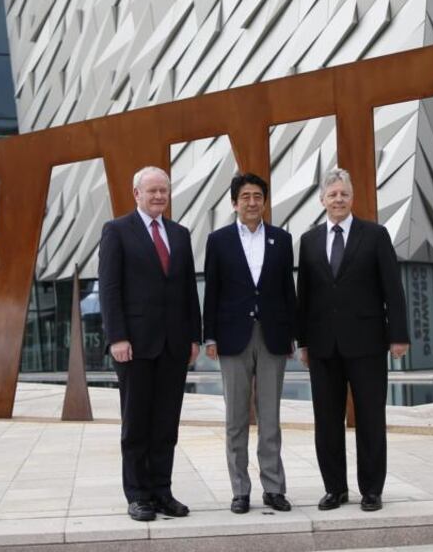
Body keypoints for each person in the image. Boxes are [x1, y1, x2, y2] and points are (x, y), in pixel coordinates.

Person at [296, 167, 409, 512]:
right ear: (322, 200)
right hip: (323, 345)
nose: (338, 199)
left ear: (352, 197)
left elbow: (393, 287)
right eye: (332, 194)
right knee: (326, 420)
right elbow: (306, 295)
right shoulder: (309, 240)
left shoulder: (375, 235)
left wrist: (398, 335)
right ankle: (335, 489)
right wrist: (302, 341)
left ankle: (371, 489)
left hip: (368, 343)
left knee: (371, 418)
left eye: (344, 193)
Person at [98, 166, 202, 522]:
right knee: (137, 422)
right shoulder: (117, 231)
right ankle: (137, 494)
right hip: (135, 345)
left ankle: (161, 491)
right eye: (152, 190)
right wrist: (117, 337)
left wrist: (193, 336)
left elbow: (189, 289)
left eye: (164, 191)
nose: (159, 196)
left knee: (166, 424)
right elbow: (109, 288)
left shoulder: (180, 233)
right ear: (136, 193)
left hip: (174, 344)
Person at [203, 173, 296, 514]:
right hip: (232, 337)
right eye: (246, 197)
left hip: (272, 336)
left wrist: (293, 335)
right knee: (236, 418)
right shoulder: (218, 241)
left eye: (258, 196)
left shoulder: (282, 240)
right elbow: (211, 291)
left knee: (270, 417)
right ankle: (240, 490)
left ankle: (273, 488)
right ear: (234, 202)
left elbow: (289, 291)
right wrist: (209, 335)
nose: (252, 202)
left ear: (265, 201)